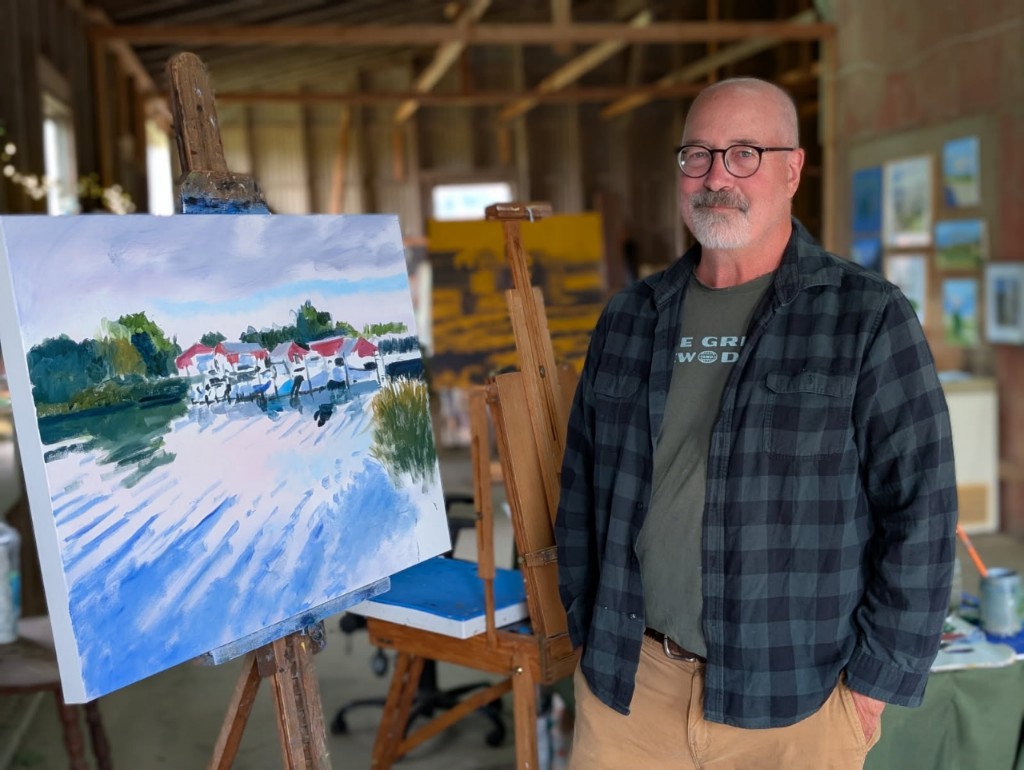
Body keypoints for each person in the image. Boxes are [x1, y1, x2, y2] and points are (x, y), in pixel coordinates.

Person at [554, 77, 957, 770]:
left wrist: (872, 686)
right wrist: (586, 628)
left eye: (745, 153)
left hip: (796, 699)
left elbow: (922, 508)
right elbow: (581, 487)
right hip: (631, 693)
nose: (716, 177)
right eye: (698, 155)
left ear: (792, 170)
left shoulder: (866, 317)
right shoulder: (630, 317)